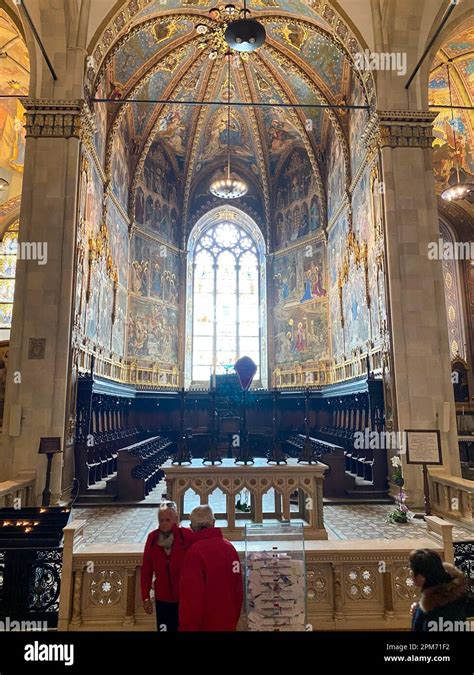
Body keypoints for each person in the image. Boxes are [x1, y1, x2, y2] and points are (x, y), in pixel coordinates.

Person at [179, 505, 243, 631]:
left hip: (204, 625)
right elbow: (238, 591)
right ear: (213, 523)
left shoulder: (193, 553)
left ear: (192, 527)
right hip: (228, 622)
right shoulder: (230, 548)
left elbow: (191, 600)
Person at [141, 501, 194, 632]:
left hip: (185, 597)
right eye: (161, 520)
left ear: (176, 519)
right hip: (162, 599)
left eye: (167, 520)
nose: (164, 523)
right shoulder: (152, 538)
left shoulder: (186, 536)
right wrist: (145, 597)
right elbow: (146, 570)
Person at [409, 549, 469, 632]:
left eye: (412, 569)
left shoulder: (430, 609)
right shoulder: (455, 595)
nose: (410, 573)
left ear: (421, 576)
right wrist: (419, 607)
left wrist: (418, 614)